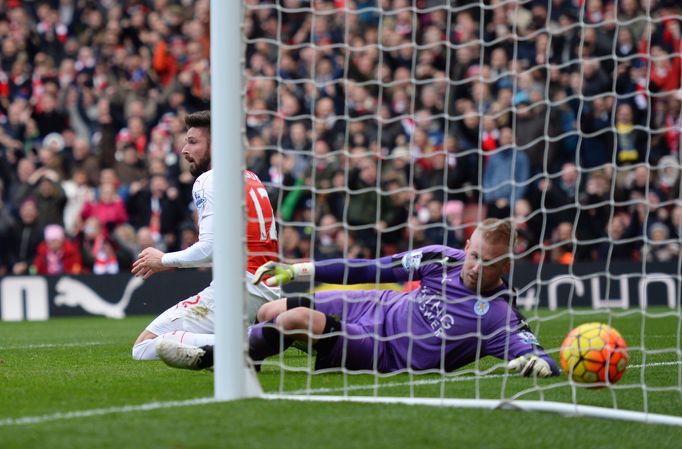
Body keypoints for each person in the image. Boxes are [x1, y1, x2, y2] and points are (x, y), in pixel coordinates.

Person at [158, 218, 559, 378]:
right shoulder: (442, 258)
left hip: (383, 352)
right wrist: (299, 270)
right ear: (466, 244)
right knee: (270, 309)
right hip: (375, 305)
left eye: (487, 264)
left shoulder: (499, 316)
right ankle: (257, 352)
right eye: (473, 255)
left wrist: (539, 364)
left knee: (294, 320)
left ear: (506, 266)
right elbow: (373, 269)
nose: (474, 267)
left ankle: (219, 356)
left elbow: (538, 354)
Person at [131, 110, 280, 361]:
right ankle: (273, 330)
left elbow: (210, 249)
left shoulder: (209, 180)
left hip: (239, 287)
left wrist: (162, 260)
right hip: (270, 287)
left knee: (144, 345)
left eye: (193, 142)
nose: (184, 150)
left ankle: (251, 341)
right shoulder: (251, 177)